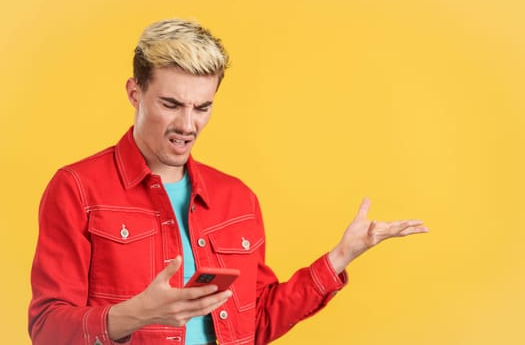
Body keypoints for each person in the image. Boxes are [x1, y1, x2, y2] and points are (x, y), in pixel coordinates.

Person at [28, 18, 428, 345]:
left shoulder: (236, 199)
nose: (188, 125)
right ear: (135, 93)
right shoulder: (77, 188)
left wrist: (339, 257)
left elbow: (256, 322)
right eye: (171, 104)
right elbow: (47, 330)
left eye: (202, 107)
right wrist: (139, 313)